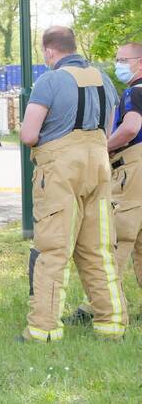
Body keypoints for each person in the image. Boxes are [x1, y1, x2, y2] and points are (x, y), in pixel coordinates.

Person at [19, 26, 126, 342]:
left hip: (60, 170)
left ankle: (44, 329)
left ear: (49, 51)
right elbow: (107, 130)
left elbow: (28, 134)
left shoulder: (49, 81)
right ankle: (111, 325)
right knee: (98, 249)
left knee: (53, 249)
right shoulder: (105, 80)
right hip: (99, 167)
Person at [68, 41, 142, 322]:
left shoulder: (133, 93)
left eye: (124, 59)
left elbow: (131, 127)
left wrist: (104, 147)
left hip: (132, 173)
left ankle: (98, 308)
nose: (118, 64)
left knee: (117, 238)